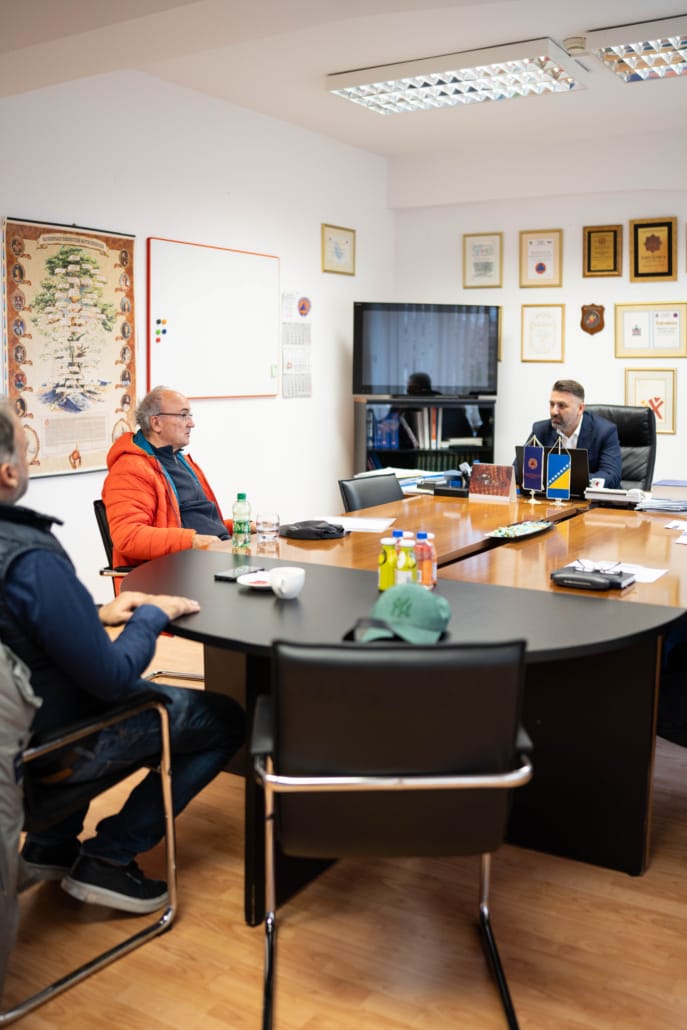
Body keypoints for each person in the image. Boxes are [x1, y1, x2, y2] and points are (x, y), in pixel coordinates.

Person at [0, 398, 244, 913]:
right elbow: (111, 677)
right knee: (223, 719)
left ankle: (49, 849)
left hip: (19, 741)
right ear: (9, 472)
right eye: (25, 452)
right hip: (53, 751)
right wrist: (150, 616)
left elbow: (20, 630)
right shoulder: (29, 558)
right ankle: (108, 859)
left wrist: (94, 613)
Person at [103, 385, 237, 568]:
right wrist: (192, 541)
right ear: (156, 423)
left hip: (213, 556)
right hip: (179, 570)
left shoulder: (181, 461)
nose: (191, 423)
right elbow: (128, 536)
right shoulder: (129, 470)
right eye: (183, 415)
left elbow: (201, 522)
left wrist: (241, 526)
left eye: (190, 415)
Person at [524, 379, 622, 490]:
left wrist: (563, 478)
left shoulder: (604, 431)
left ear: (580, 408)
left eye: (561, 406)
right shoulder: (541, 430)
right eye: (552, 404)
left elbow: (611, 476)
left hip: (592, 499)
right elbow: (520, 469)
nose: (554, 412)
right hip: (551, 497)